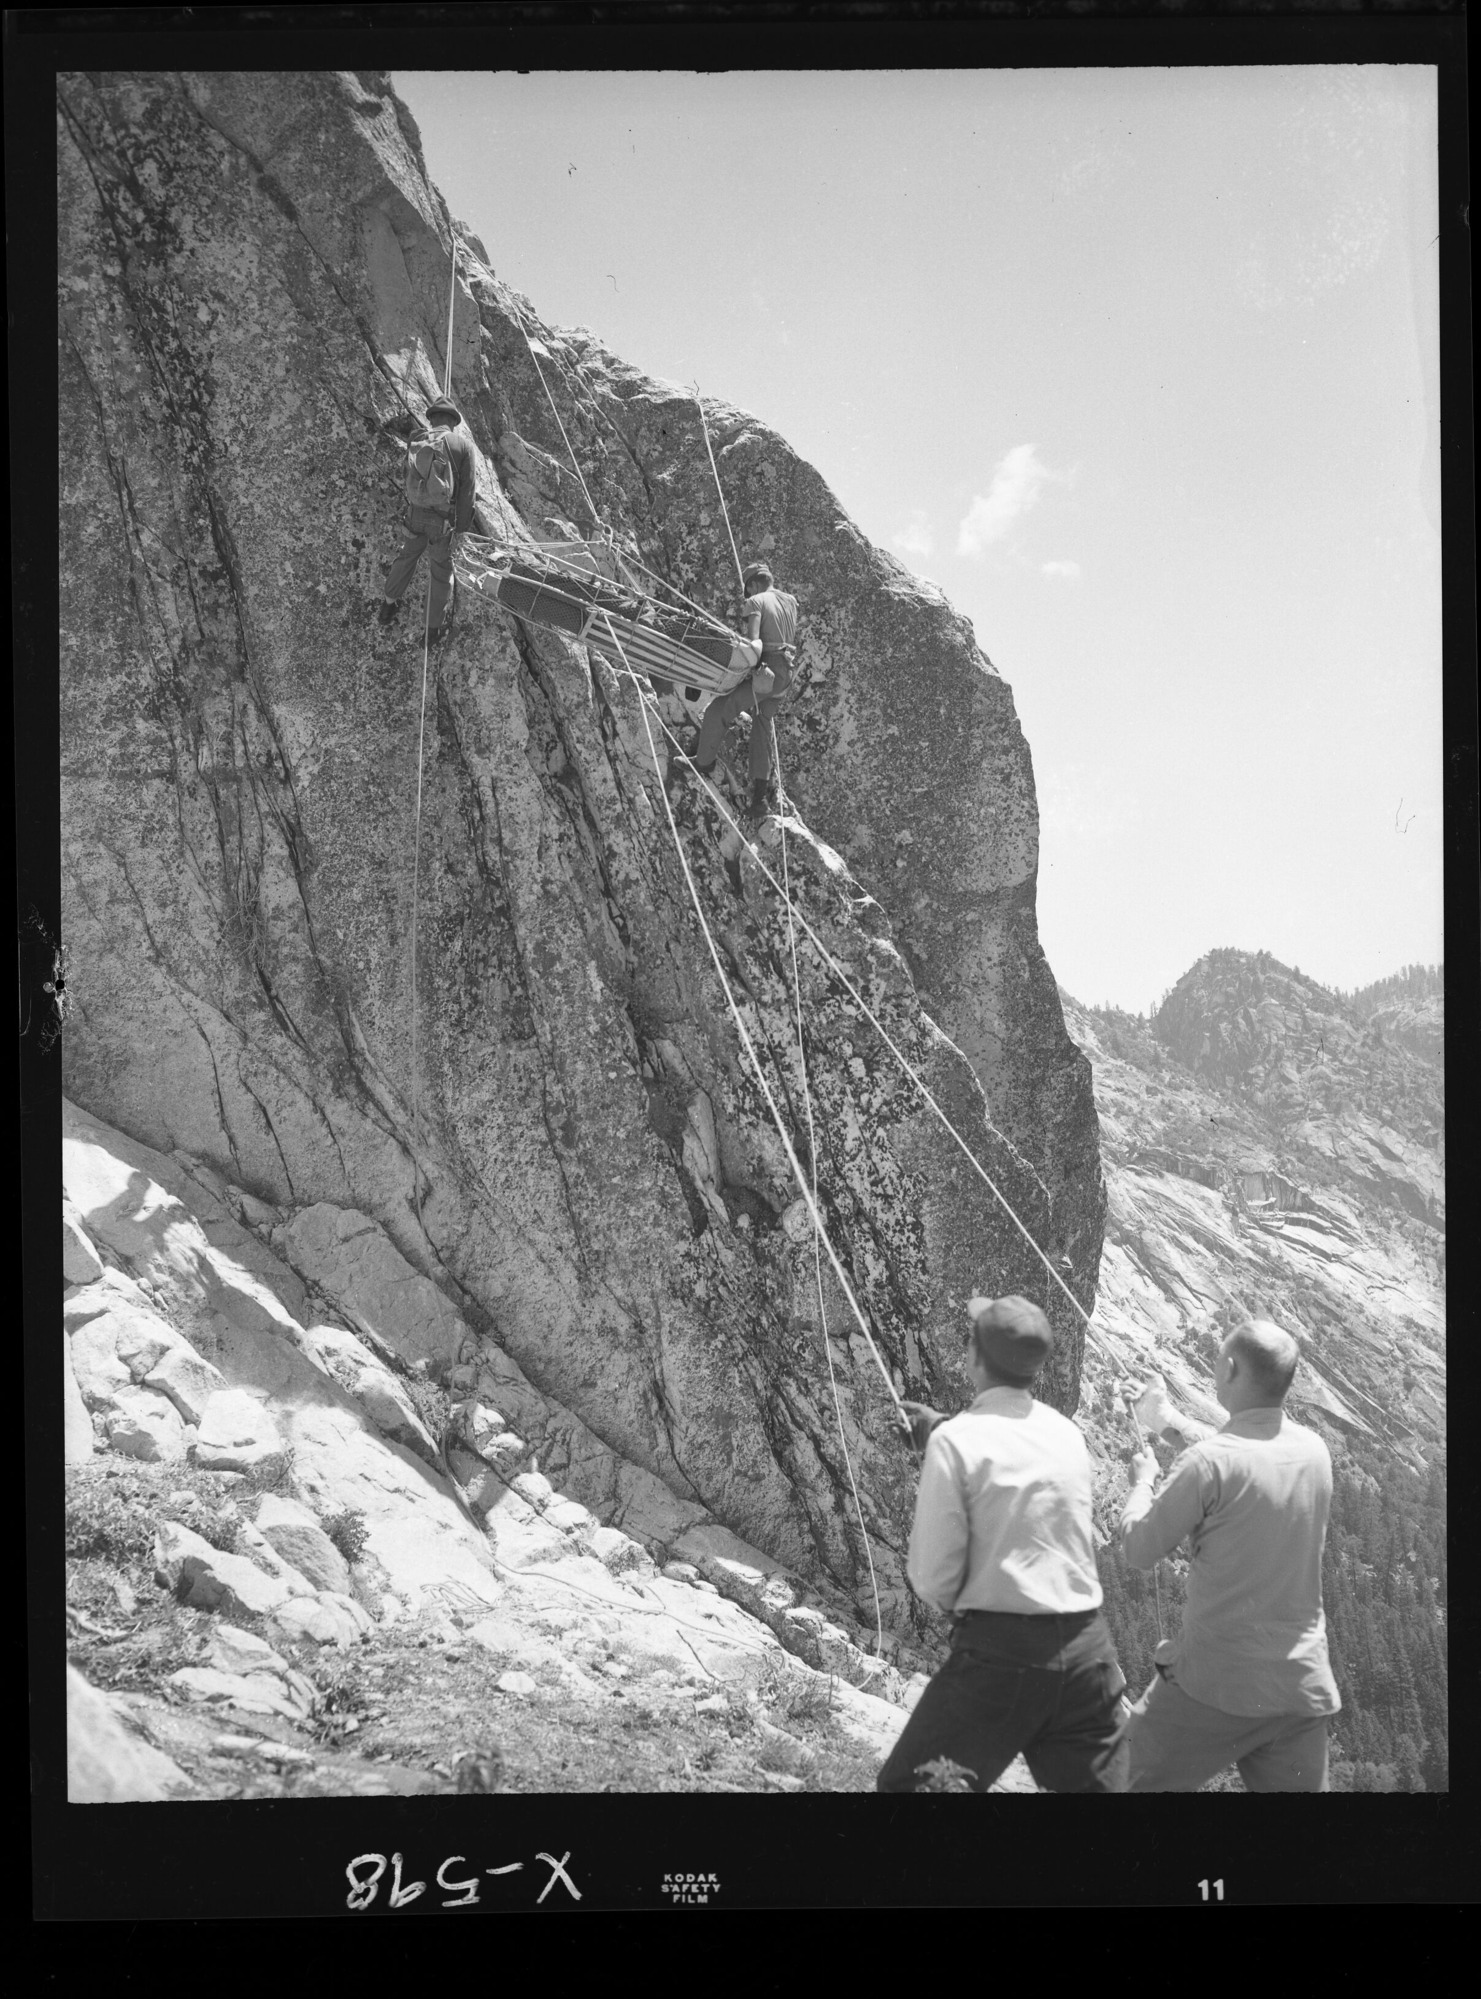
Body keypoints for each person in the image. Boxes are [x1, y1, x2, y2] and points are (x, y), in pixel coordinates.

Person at [876, 1295, 1129, 1794]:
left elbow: (931, 1576)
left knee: (912, 1789)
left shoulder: (958, 1443)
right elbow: (1012, 1452)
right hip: (1089, 1658)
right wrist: (940, 1428)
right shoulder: (1066, 1434)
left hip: (1002, 1658)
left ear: (973, 1356)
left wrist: (974, 1618)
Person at [1119, 1318, 1341, 1792]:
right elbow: (1245, 1452)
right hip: (1301, 1689)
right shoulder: (1314, 1452)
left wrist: (1141, 1483)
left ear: (1231, 1368)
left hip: (1214, 1685)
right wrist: (1164, 1420)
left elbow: (1139, 1548)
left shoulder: (1207, 1464)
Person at [691, 560, 800, 821]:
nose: (748, 596)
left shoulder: (756, 601)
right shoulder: (790, 601)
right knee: (762, 725)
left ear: (752, 584)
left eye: (747, 590)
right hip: (785, 674)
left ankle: (703, 763)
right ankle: (760, 800)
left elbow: (753, 644)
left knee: (720, 709)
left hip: (768, 672)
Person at [378, 394, 478, 643]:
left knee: (407, 557)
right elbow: (467, 492)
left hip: (415, 513)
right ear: (454, 422)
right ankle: (431, 630)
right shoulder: (462, 446)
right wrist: (461, 529)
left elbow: (407, 472)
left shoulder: (417, 438)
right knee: (441, 571)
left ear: (431, 418)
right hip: (443, 521)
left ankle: (388, 605)